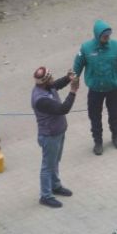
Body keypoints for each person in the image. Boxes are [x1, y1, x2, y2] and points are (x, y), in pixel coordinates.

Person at [73, 20, 117, 156]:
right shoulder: (86, 48)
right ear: (97, 35)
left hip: (112, 89)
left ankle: (116, 136)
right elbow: (77, 65)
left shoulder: (116, 46)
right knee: (94, 117)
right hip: (95, 90)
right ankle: (98, 142)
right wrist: (75, 78)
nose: (107, 38)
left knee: (115, 114)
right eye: (105, 36)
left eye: (109, 35)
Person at [31, 66, 78, 208]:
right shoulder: (41, 99)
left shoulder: (46, 87)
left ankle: (55, 186)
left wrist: (67, 78)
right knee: (47, 165)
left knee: (55, 161)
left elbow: (56, 85)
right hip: (49, 136)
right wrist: (73, 91)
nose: (52, 79)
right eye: (50, 78)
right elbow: (63, 109)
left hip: (58, 132)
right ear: (45, 82)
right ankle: (45, 196)